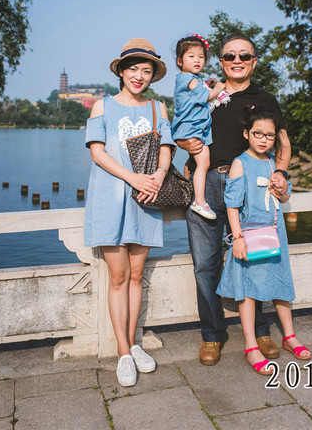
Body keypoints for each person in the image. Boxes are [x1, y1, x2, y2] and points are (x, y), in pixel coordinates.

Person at [176, 35, 291, 366]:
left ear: (254, 61)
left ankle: (261, 331)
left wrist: (280, 174)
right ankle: (213, 334)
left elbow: (282, 143)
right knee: (205, 265)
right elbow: (181, 128)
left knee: (257, 258)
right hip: (207, 184)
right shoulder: (205, 94)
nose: (236, 60)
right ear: (221, 61)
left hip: (251, 187)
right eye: (229, 56)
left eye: (244, 55)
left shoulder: (265, 99)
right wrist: (185, 145)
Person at [84, 38, 174, 387]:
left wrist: (158, 177)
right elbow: (98, 153)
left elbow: (166, 149)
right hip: (110, 198)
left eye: (146, 70)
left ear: (153, 76)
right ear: (121, 71)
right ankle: (124, 351)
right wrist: (133, 177)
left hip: (146, 200)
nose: (139, 76)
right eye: (133, 69)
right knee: (118, 278)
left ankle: (134, 344)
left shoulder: (157, 108)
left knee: (137, 276)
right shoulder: (101, 107)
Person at [217, 105, 311, 375]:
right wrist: (237, 238)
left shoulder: (274, 163)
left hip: (274, 232)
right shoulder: (239, 163)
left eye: (269, 136)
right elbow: (231, 205)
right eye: (257, 133)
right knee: (247, 291)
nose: (263, 139)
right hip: (248, 235)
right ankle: (250, 345)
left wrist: (281, 188)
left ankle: (289, 336)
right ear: (247, 133)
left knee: (281, 283)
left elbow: (284, 198)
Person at [171, 34, 228, 220]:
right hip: (192, 127)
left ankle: (193, 195)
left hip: (193, 127)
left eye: (201, 57)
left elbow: (199, 91)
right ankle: (199, 201)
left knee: (198, 162)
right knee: (203, 163)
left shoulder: (189, 78)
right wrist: (219, 88)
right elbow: (205, 96)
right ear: (180, 61)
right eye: (191, 56)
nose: (197, 60)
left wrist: (208, 85)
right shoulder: (188, 78)